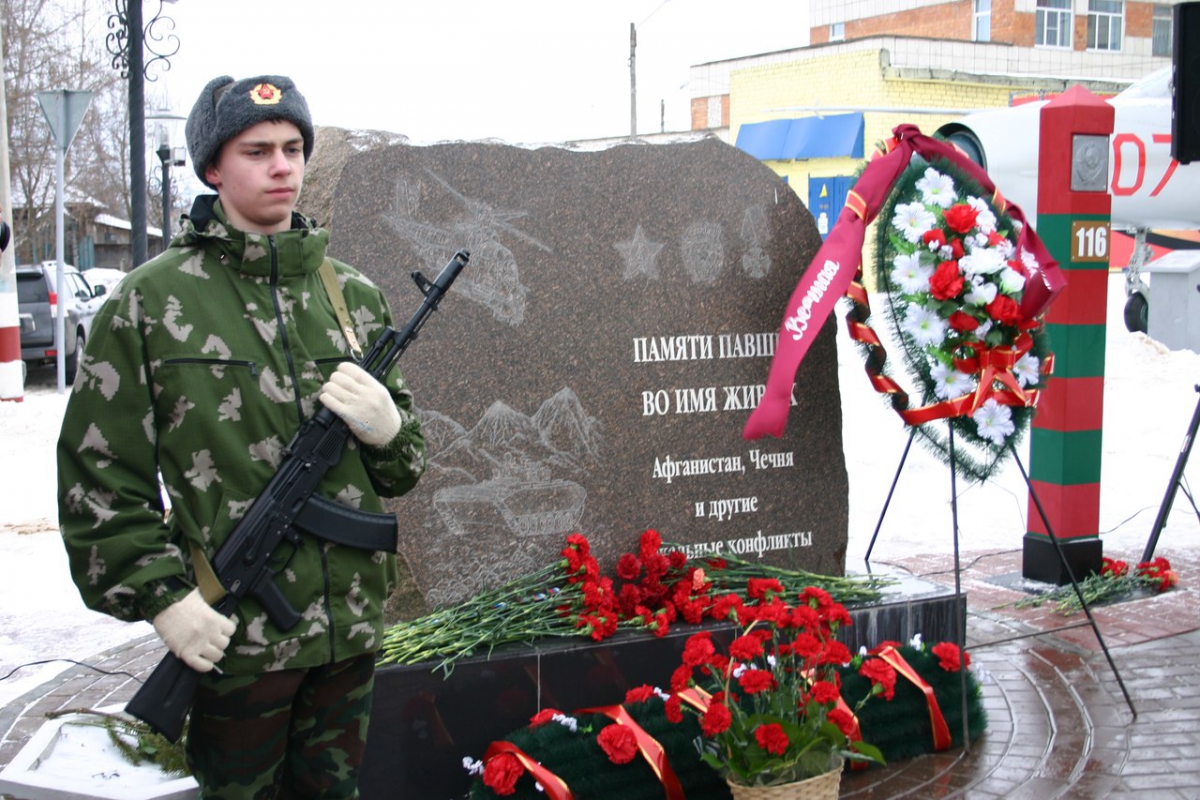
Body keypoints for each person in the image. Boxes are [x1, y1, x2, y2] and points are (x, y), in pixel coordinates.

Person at [56, 74, 426, 798]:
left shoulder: (350, 296)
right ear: (213, 169)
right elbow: (99, 481)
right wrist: (164, 600)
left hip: (348, 631)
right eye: (257, 151)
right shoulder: (149, 302)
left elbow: (402, 470)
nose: (282, 166)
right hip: (234, 639)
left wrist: (389, 430)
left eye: (293, 148)